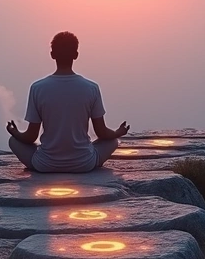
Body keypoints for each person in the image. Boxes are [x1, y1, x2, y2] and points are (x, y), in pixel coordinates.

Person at [7, 31, 129, 172]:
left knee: (13, 141)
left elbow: (30, 136)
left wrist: (15, 132)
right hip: (84, 163)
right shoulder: (91, 88)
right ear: (76, 55)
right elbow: (101, 132)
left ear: (52, 54)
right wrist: (118, 132)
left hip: (45, 164)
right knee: (112, 141)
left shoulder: (37, 88)